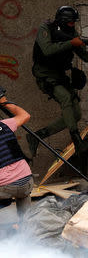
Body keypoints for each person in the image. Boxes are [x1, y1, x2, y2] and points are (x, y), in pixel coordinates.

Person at [27, 6, 88, 160]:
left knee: (75, 114)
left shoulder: (71, 34)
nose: (73, 25)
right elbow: (47, 49)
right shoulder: (47, 28)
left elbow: (85, 56)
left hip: (60, 76)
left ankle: (37, 136)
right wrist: (71, 43)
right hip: (44, 76)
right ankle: (77, 142)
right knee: (65, 97)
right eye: (70, 23)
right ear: (63, 21)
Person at [0, 89, 33, 218]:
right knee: (23, 192)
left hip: (4, 187)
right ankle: (26, 227)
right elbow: (25, 115)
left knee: (9, 188)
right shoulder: (5, 124)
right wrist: (4, 102)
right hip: (26, 181)